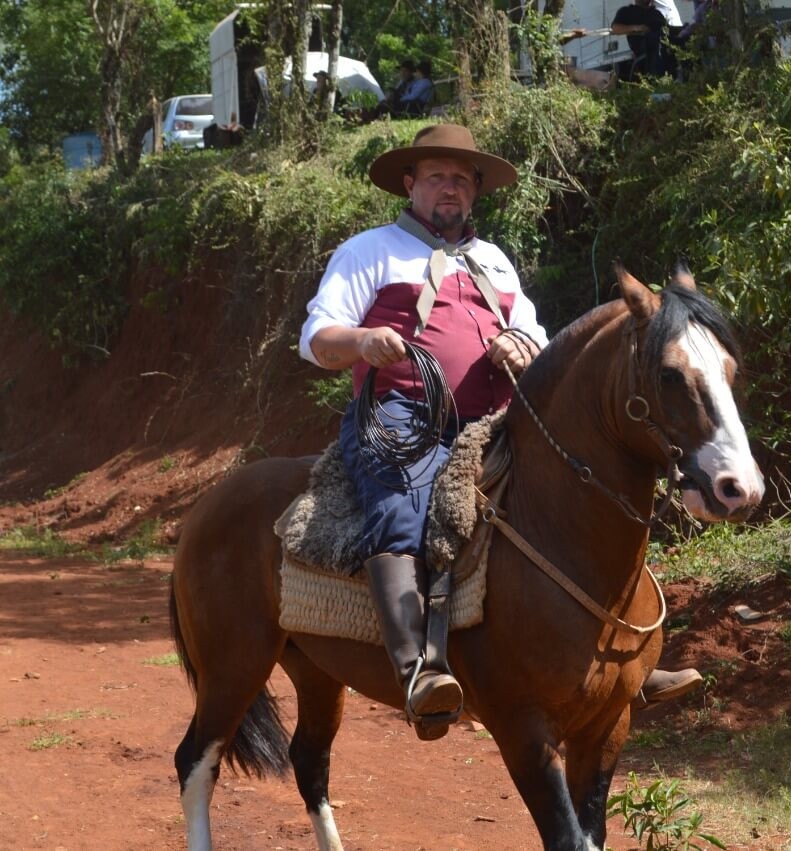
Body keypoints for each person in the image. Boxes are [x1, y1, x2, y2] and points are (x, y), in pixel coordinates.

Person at [299, 124, 700, 739]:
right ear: (410, 184)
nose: (449, 189)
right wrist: (362, 341)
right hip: (400, 420)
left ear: (477, 191)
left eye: (462, 179)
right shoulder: (368, 251)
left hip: (497, 419)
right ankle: (417, 671)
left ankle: (628, 661)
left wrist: (521, 346)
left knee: (590, 502)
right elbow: (317, 340)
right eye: (436, 176)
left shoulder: (493, 262)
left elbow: (540, 342)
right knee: (403, 513)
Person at [612, 0, 669, 78]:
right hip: (645, 55)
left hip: (662, 52)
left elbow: (667, 32)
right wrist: (636, 28)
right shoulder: (627, 11)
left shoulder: (656, 14)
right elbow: (615, 29)